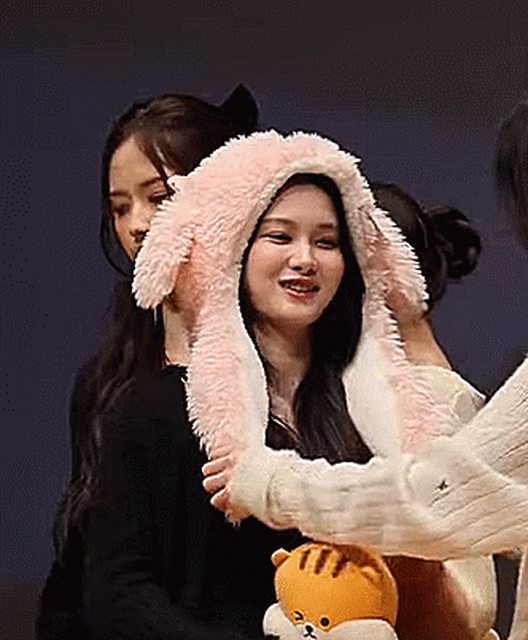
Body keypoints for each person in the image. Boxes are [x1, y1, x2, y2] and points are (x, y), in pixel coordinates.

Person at [134, 130, 498, 640]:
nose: (304, 259)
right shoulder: (158, 407)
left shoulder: (395, 418)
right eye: (279, 237)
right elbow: (119, 592)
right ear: (232, 250)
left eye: (326, 242)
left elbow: (466, 616)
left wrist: (410, 551)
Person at [36, 84, 260, 639]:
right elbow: (94, 571)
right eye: (120, 207)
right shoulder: (111, 379)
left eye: (159, 197)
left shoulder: (279, 365)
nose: (136, 224)